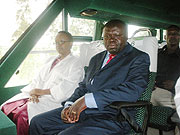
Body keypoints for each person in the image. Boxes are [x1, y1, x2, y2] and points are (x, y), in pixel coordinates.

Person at [29, 19, 150, 135]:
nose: (111, 40)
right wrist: (69, 104)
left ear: (126, 36)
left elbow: (133, 90)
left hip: (113, 115)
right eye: (107, 36)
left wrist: (87, 100)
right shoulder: (96, 59)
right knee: (38, 123)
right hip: (84, 112)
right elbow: (83, 86)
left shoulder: (138, 58)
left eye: (116, 35)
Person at [0, 31, 84, 135]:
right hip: (36, 96)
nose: (58, 45)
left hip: (53, 100)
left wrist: (40, 92)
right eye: (56, 42)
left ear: (71, 43)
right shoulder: (51, 59)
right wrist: (34, 93)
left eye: (62, 42)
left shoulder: (75, 63)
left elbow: (68, 87)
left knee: (21, 116)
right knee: (8, 106)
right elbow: (38, 79)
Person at [151, 25, 180, 108]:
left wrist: (175, 84)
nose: (172, 36)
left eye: (175, 34)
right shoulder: (156, 54)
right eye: (169, 34)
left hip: (172, 93)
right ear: (165, 37)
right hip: (154, 89)